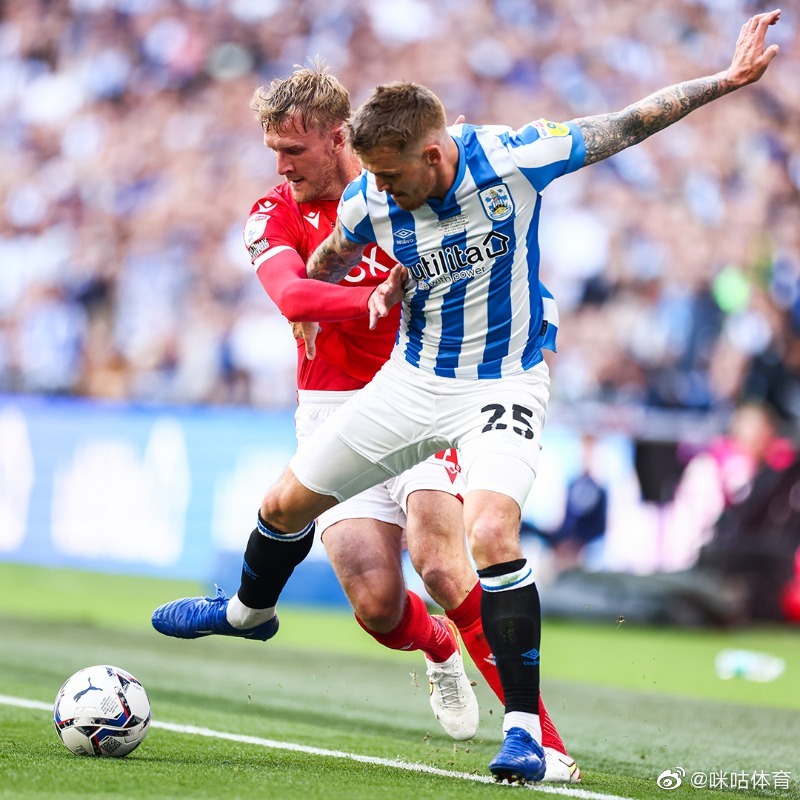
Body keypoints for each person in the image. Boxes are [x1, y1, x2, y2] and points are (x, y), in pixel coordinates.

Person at [156, 10, 780, 783]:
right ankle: (252, 614)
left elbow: (625, 124)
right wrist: (329, 298)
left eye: (389, 177)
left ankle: (533, 738)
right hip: (406, 384)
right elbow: (322, 262)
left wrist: (724, 80)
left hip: (499, 386)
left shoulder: (512, 159)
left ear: (429, 152)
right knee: (302, 526)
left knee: (472, 547)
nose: (381, 191)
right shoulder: (360, 200)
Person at [152, 62, 579, 782]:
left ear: (338, 138)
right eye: (274, 153)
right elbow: (292, 294)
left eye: (294, 151)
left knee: (443, 564)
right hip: (332, 406)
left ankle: (544, 742)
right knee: (378, 604)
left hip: (425, 391)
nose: (282, 167)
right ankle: (436, 646)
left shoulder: (403, 187)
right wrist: (371, 298)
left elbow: (490, 253)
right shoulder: (272, 214)